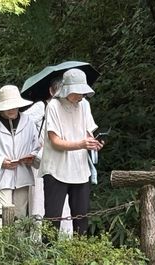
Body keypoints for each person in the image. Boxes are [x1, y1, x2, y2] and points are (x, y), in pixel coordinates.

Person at [39, 68, 102, 235]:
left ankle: (79, 256)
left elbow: (89, 132)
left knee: (81, 217)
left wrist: (93, 143)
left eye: (83, 92)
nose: (80, 96)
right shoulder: (53, 105)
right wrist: (81, 144)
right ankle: (49, 257)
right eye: (77, 92)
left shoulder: (85, 105)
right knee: (53, 218)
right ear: (67, 89)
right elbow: (55, 141)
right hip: (56, 168)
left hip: (80, 168)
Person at [0, 85, 40, 226]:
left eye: (15, 106)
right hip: (3, 175)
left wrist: (31, 158)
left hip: (23, 174)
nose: (12, 109)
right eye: (9, 107)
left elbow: (37, 147)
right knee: (2, 213)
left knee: (20, 214)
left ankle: (17, 246)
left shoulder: (28, 122)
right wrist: (1, 162)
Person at [23, 78, 73, 236]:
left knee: (64, 203)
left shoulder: (68, 109)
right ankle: (38, 242)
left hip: (62, 162)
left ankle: (65, 240)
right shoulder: (41, 107)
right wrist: (36, 145)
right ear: (51, 91)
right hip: (41, 162)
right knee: (39, 202)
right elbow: (22, 124)